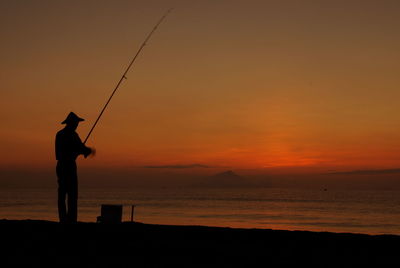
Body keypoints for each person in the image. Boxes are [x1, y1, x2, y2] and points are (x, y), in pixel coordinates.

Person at [55, 112, 94, 223]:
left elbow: (60, 153)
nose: (77, 125)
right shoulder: (73, 135)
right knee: (72, 194)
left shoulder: (59, 134)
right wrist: (87, 151)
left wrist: (81, 150)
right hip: (69, 165)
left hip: (60, 166)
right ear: (72, 123)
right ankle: (71, 220)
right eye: (76, 123)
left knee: (62, 193)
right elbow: (81, 148)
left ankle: (63, 219)